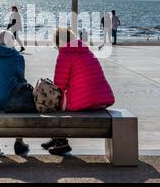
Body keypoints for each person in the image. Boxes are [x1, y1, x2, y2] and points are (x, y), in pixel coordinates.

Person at [41, 27, 115, 155]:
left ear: (59, 43)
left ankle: (60, 141)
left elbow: (59, 87)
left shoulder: (65, 54)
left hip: (84, 102)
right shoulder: (86, 51)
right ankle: (55, 137)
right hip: (101, 100)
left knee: (52, 102)